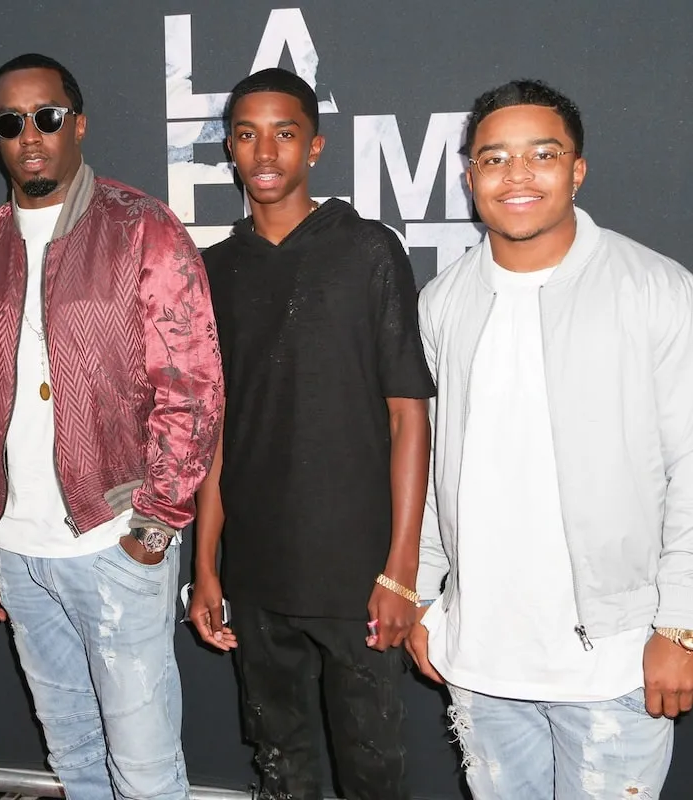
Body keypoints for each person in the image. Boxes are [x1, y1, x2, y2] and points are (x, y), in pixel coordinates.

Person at [406, 79, 693, 799]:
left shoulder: (655, 290)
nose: (517, 175)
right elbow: (431, 459)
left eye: (542, 154)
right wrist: (423, 595)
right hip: (480, 657)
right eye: (493, 158)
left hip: (616, 658)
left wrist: (689, 622)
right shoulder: (442, 301)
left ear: (577, 169)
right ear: (469, 175)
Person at [0, 53, 223, 800]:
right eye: (11, 123)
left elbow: (192, 387)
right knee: (73, 758)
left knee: (145, 773)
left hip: (114, 541)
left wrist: (156, 525)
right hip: (17, 550)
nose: (30, 135)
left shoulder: (143, 229)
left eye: (47, 116)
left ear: (78, 123)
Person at [190, 68, 433, 800]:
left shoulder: (366, 251)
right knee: (280, 766)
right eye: (246, 134)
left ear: (316, 146)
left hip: (356, 576)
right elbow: (217, 432)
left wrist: (400, 570)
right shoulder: (214, 270)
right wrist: (205, 565)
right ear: (230, 149)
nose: (265, 152)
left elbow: (408, 413)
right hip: (257, 573)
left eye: (285, 133)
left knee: (373, 773)